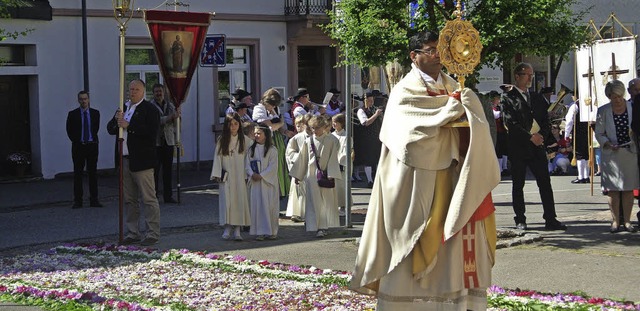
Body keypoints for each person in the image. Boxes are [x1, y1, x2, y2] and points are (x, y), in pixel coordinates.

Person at [350, 30, 500, 310]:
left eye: (439, 49)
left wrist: (466, 108)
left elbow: (473, 121)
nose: (437, 55)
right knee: (415, 237)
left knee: (453, 243)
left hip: (452, 177)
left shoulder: (454, 85)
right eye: (430, 50)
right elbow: (408, 138)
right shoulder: (404, 91)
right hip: (414, 180)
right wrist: (448, 112)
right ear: (413, 56)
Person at [501, 62, 567, 231]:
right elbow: (511, 123)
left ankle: (551, 219)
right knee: (518, 185)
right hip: (519, 147)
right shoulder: (508, 97)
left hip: (538, 147)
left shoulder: (537, 97)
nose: (530, 78)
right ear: (517, 76)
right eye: (526, 74)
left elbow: (546, 120)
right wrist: (530, 137)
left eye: (531, 75)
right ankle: (520, 219)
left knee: (545, 183)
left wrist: (542, 136)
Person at [107, 79, 161, 246]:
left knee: (148, 198)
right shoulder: (123, 108)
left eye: (136, 89)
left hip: (142, 161)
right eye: (130, 89)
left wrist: (129, 126)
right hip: (124, 161)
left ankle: (152, 232)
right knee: (130, 199)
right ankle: (133, 232)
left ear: (143, 91)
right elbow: (110, 129)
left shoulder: (149, 109)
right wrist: (116, 121)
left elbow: (152, 133)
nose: (132, 92)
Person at [595, 80, 639, 233]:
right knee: (613, 190)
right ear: (609, 97)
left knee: (628, 189)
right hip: (612, 154)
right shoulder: (603, 111)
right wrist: (607, 143)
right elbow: (599, 133)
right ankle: (615, 221)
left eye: (620, 97)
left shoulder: (632, 107)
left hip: (629, 152)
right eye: (614, 97)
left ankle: (627, 221)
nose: (618, 100)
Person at [290, 115, 341, 238]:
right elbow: (303, 158)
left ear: (324, 127)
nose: (315, 131)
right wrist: (298, 175)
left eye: (317, 128)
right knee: (313, 201)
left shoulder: (332, 140)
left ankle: (323, 226)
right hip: (311, 175)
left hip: (325, 174)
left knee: (325, 202)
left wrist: (331, 173)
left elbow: (334, 158)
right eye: (312, 128)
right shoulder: (308, 141)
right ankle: (314, 225)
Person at [210, 113, 252, 241]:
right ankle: (228, 227)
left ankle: (238, 229)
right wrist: (217, 174)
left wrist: (247, 174)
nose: (233, 127)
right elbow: (217, 158)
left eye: (236, 124)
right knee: (227, 201)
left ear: (239, 125)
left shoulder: (245, 140)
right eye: (230, 124)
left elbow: (250, 157)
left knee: (239, 200)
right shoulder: (222, 140)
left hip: (240, 175)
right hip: (227, 176)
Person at [253, 88, 294, 197]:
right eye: (272, 104)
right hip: (267, 140)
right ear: (266, 102)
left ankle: (280, 191)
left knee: (280, 164)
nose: (273, 107)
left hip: (277, 139)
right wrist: (280, 123)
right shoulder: (259, 109)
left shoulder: (274, 110)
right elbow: (269, 127)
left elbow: (277, 127)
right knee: (270, 164)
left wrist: (285, 131)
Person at [66, 90, 102, 209]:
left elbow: (95, 128)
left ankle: (94, 200)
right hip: (79, 147)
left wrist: (90, 140)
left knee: (93, 173)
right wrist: (77, 140)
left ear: (89, 99)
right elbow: (69, 130)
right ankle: (78, 201)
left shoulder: (95, 113)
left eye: (85, 99)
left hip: (92, 146)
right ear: (78, 100)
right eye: (81, 99)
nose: (83, 101)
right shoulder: (73, 114)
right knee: (78, 174)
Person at [246, 125, 280, 241]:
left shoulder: (272, 150)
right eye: (255, 133)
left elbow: (273, 166)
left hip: (267, 183)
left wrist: (262, 175)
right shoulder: (251, 150)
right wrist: (252, 174)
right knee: (257, 207)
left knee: (269, 206)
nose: (256, 135)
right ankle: (259, 232)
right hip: (256, 183)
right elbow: (247, 164)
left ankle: (272, 231)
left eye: (259, 133)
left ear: (266, 135)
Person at [151, 84, 179, 204]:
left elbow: (176, 123)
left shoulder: (170, 105)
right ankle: (154, 195)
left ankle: (168, 196)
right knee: (155, 171)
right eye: (156, 91)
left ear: (164, 92)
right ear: (153, 93)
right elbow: (156, 121)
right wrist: (170, 117)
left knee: (168, 171)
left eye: (160, 91)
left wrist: (177, 117)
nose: (159, 93)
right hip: (156, 143)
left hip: (168, 141)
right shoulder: (150, 106)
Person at [285, 114, 312, 222]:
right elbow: (289, 153)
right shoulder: (297, 138)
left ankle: (308, 213)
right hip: (299, 168)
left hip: (312, 169)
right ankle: (296, 213)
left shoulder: (318, 137)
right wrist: (300, 159)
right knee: (298, 190)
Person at [354, 90, 383, 188]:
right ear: (364, 101)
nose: (371, 102)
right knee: (368, 160)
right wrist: (376, 115)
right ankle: (370, 180)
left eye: (372, 100)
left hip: (376, 138)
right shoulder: (361, 111)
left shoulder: (374, 109)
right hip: (367, 139)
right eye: (369, 100)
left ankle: (377, 179)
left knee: (377, 159)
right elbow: (365, 123)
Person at [564, 99, 590, 183]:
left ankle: (581, 177)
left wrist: (566, 134)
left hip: (578, 132)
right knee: (586, 154)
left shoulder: (575, 105)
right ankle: (586, 176)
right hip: (589, 131)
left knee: (579, 154)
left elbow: (569, 121)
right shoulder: (590, 104)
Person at [331, 113, 352, 216]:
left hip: (342, 165)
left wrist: (340, 162)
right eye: (332, 122)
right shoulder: (331, 135)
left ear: (341, 123)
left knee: (342, 186)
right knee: (334, 186)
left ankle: (343, 206)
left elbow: (346, 151)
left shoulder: (346, 136)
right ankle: (335, 205)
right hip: (332, 163)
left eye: (335, 122)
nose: (333, 124)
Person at [491, 90, 510, 176]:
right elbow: (496, 115)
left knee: (505, 149)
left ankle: (505, 167)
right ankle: (500, 169)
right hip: (496, 132)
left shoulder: (499, 107)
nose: (499, 100)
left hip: (503, 131)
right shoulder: (491, 108)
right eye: (497, 99)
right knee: (498, 150)